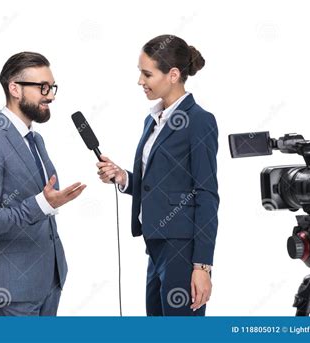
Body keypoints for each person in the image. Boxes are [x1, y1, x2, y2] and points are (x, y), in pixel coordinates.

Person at [97, 35, 219, 316]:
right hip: (155, 245)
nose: (140, 81)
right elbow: (157, 183)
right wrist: (123, 177)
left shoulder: (199, 121)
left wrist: (202, 265)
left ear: (173, 75)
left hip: (182, 248)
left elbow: (207, 193)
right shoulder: (152, 119)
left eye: (147, 73)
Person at [0, 52, 86, 316]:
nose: (51, 95)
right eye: (43, 87)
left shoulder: (35, 139)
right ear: (15, 89)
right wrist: (42, 203)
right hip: (14, 289)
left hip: (50, 280)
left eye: (52, 87)